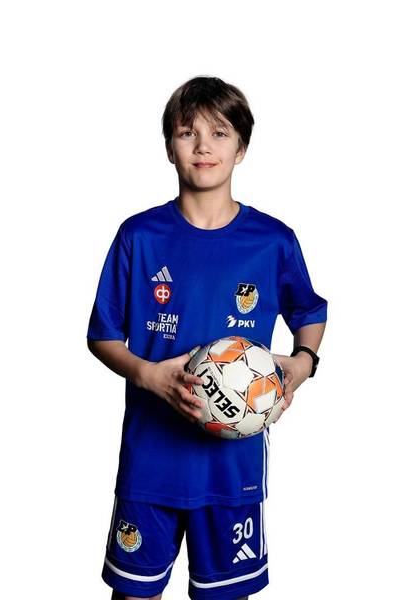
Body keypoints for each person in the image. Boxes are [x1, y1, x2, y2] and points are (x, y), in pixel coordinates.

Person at [86, 75, 328, 600]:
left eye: (219, 133)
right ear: (168, 147)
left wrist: (303, 363)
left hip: (232, 472)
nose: (202, 146)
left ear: (241, 149)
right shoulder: (138, 236)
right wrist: (148, 375)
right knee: (133, 594)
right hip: (150, 464)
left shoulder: (273, 241)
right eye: (186, 132)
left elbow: (309, 310)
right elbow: (102, 335)